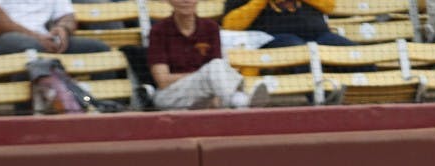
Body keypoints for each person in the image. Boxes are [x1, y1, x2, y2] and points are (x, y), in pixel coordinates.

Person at [146, 0, 270, 109]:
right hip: (171, 95)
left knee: (217, 67)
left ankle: (236, 102)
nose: (185, 1)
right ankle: (240, 101)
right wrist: (204, 77)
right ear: (169, 1)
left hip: (206, 94)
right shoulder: (159, 31)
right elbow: (162, 80)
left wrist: (209, 81)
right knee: (214, 71)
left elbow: (218, 70)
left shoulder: (210, 28)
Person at [0, 0, 111, 56]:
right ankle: (26, 113)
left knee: (98, 49)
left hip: (44, 40)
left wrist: (63, 29)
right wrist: (36, 37)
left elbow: (67, 15)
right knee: (30, 47)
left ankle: (107, 110)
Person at [221, 0, 361, 49]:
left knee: (352, 51)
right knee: (298, 48)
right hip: (274, 38)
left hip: (319, 35)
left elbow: (330, 6)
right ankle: (322, 99)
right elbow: (230, 25)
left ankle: (365, 96)